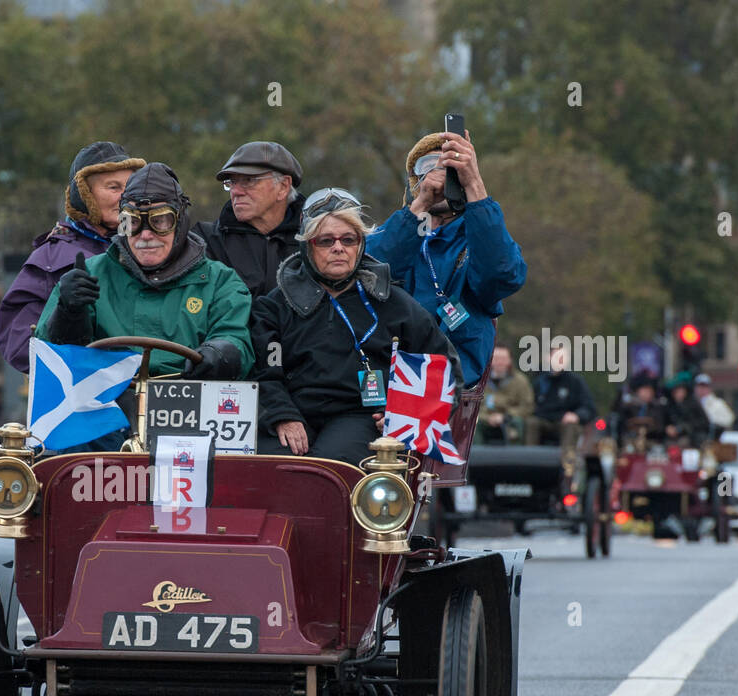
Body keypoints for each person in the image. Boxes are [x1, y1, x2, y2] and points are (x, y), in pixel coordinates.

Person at [250, 188, 461, 465]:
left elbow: (442, 365)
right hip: (292, 411)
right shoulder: (274, 305)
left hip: (361, 415)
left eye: (348, 239)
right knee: (272, 467)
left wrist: (407, 413)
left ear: (360, 244)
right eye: (326, 241)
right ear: (306, 245)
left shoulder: (394, 303)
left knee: (331, 468)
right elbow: (261, 372)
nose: (339, 248)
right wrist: (282, 416)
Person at [35, 162, 253, 383]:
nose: (146, 235)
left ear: (180, 223)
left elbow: (235, 338)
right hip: (107, 403)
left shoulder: (220, 282)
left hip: (189, 401)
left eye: (160, 221)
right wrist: (67, 312)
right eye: (132, 222)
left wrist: (220, 353)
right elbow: (49, 358)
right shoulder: (91, 275)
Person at [366, 128, 526, 386]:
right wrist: (420, 205)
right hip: (385, 377)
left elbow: (503, 275)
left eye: (449, 169)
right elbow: (366, 274)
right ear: (414, 181)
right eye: (428, 166)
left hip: (448, 381)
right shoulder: (399, 230)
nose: (438, 175)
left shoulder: (478, 235)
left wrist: (474, 185)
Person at [0, 141, 145, 372]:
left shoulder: (155, 246)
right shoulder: (51, 257)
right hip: (86, 394)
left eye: (130, 187)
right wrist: (64, 313)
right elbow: (19, 345)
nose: (124, 197)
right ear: (84, 195)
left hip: (154, 392)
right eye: (114, 188)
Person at [194, 141, 304, 300]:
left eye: (249, 180)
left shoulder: (318, 241)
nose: (235, 191)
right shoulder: (206, 242)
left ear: (283, 186)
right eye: (231, 182)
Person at [526, 341, 595, 459]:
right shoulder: (540, 381)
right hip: (544, 420)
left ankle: (566, 466)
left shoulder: (575, 381)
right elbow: (532, 406)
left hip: (565, 423)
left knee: (570, 427)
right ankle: (529, 461)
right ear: (548, 358)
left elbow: (589, 407)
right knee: (531, 423)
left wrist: (576, 415)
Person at [478, 344, 534, 443]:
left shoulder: (520, 381)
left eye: (503, 359)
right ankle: (474, 455)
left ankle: (514, 457)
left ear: (509, 361)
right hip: (486, 420)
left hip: (510, 420)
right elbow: (473, 407)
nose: (500, 362)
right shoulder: (481, 380)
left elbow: (527, 406)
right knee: (473, 423)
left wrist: (505, 416)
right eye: (496, 358)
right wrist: (487, 417)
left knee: (517, 423)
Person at [615, 374, 667, 444]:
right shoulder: (629, 407)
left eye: (650, 391)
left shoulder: (657, 407)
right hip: (631, 440)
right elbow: (622, 423)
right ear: (637, 391)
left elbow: (660, 426)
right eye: (645, 390)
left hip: (651, 440)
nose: (647, 393)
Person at [663, 371, 710, 447]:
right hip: (672, 438)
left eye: (682, 391)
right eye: (677, 391)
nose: (680, 394)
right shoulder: (669, 405)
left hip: (692, 437)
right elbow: (664, 421)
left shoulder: (693, 404)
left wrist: (682, 428)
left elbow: (703, 422)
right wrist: (668, 428)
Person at [694, 373, 735, 437]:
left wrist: (714, 423)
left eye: (705, 386)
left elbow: (729, 419)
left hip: (714, 437)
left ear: (709, 388)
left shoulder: (718, 404)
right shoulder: (691, 403)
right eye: (699, 386)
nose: (702, 389)